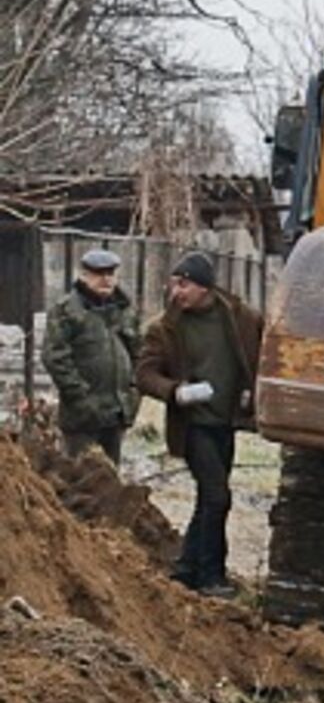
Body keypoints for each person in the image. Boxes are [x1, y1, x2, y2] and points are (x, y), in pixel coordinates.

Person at [137, 252, 261, 597]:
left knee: (208, 498)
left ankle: (185, 570)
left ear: (204, 287)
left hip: (226, 422)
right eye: (174, 283)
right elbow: (144, 374)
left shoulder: (240, 318)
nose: (176, 291)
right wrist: (175, 392)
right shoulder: (165, 328)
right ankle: (211, 577)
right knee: (218, 496)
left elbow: (263, 353)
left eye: (184, 284)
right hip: (193, 425)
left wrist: (253, 392)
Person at [40, 249, 140, 463]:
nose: (106, 279)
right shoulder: (67, 311)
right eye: (98, 274)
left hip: (117, 411)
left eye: (110, 274)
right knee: (82, 479)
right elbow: (55, 357)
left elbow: (138, 353)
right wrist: (81, 399)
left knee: (112, 479)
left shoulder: (124, 310)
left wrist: (133, 393)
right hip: (82, 416)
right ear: (84, 275)